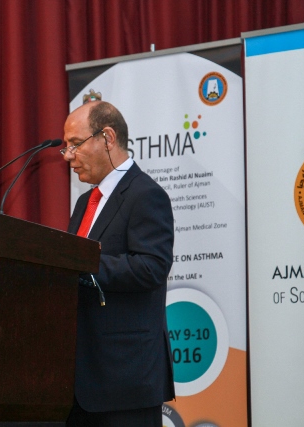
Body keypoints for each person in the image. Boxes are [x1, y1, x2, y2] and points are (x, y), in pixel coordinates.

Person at [62, 100, 175, 426]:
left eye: (75, 144)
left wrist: (80, 266)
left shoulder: (145, 194)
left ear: (108, 138)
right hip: (79, 380)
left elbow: (151, 267)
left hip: (125, 378)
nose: (68, 156)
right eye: (66, 147)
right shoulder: (85, 202)